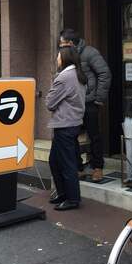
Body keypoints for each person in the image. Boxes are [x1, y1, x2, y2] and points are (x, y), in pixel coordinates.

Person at [59, 29, 112, 182]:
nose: (60, 46)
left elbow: (105, 74)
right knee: (72, 135)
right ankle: (78, 167)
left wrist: (99, 98)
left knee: (94, 135)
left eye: (62, 43)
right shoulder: (65, 55)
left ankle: (98, 167)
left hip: (89, 101)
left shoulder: (90, 52)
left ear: (70, 43)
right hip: (73, 102)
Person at [46, 46, 87, 211]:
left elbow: (50, 103)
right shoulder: (78, 74)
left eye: (58, 56)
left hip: (64, 125)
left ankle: (72, 199)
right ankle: (63, 194)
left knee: (66, 163)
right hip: (74, 123)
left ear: (64, 58)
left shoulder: (64, 77)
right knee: (55, 160)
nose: (56, 59)